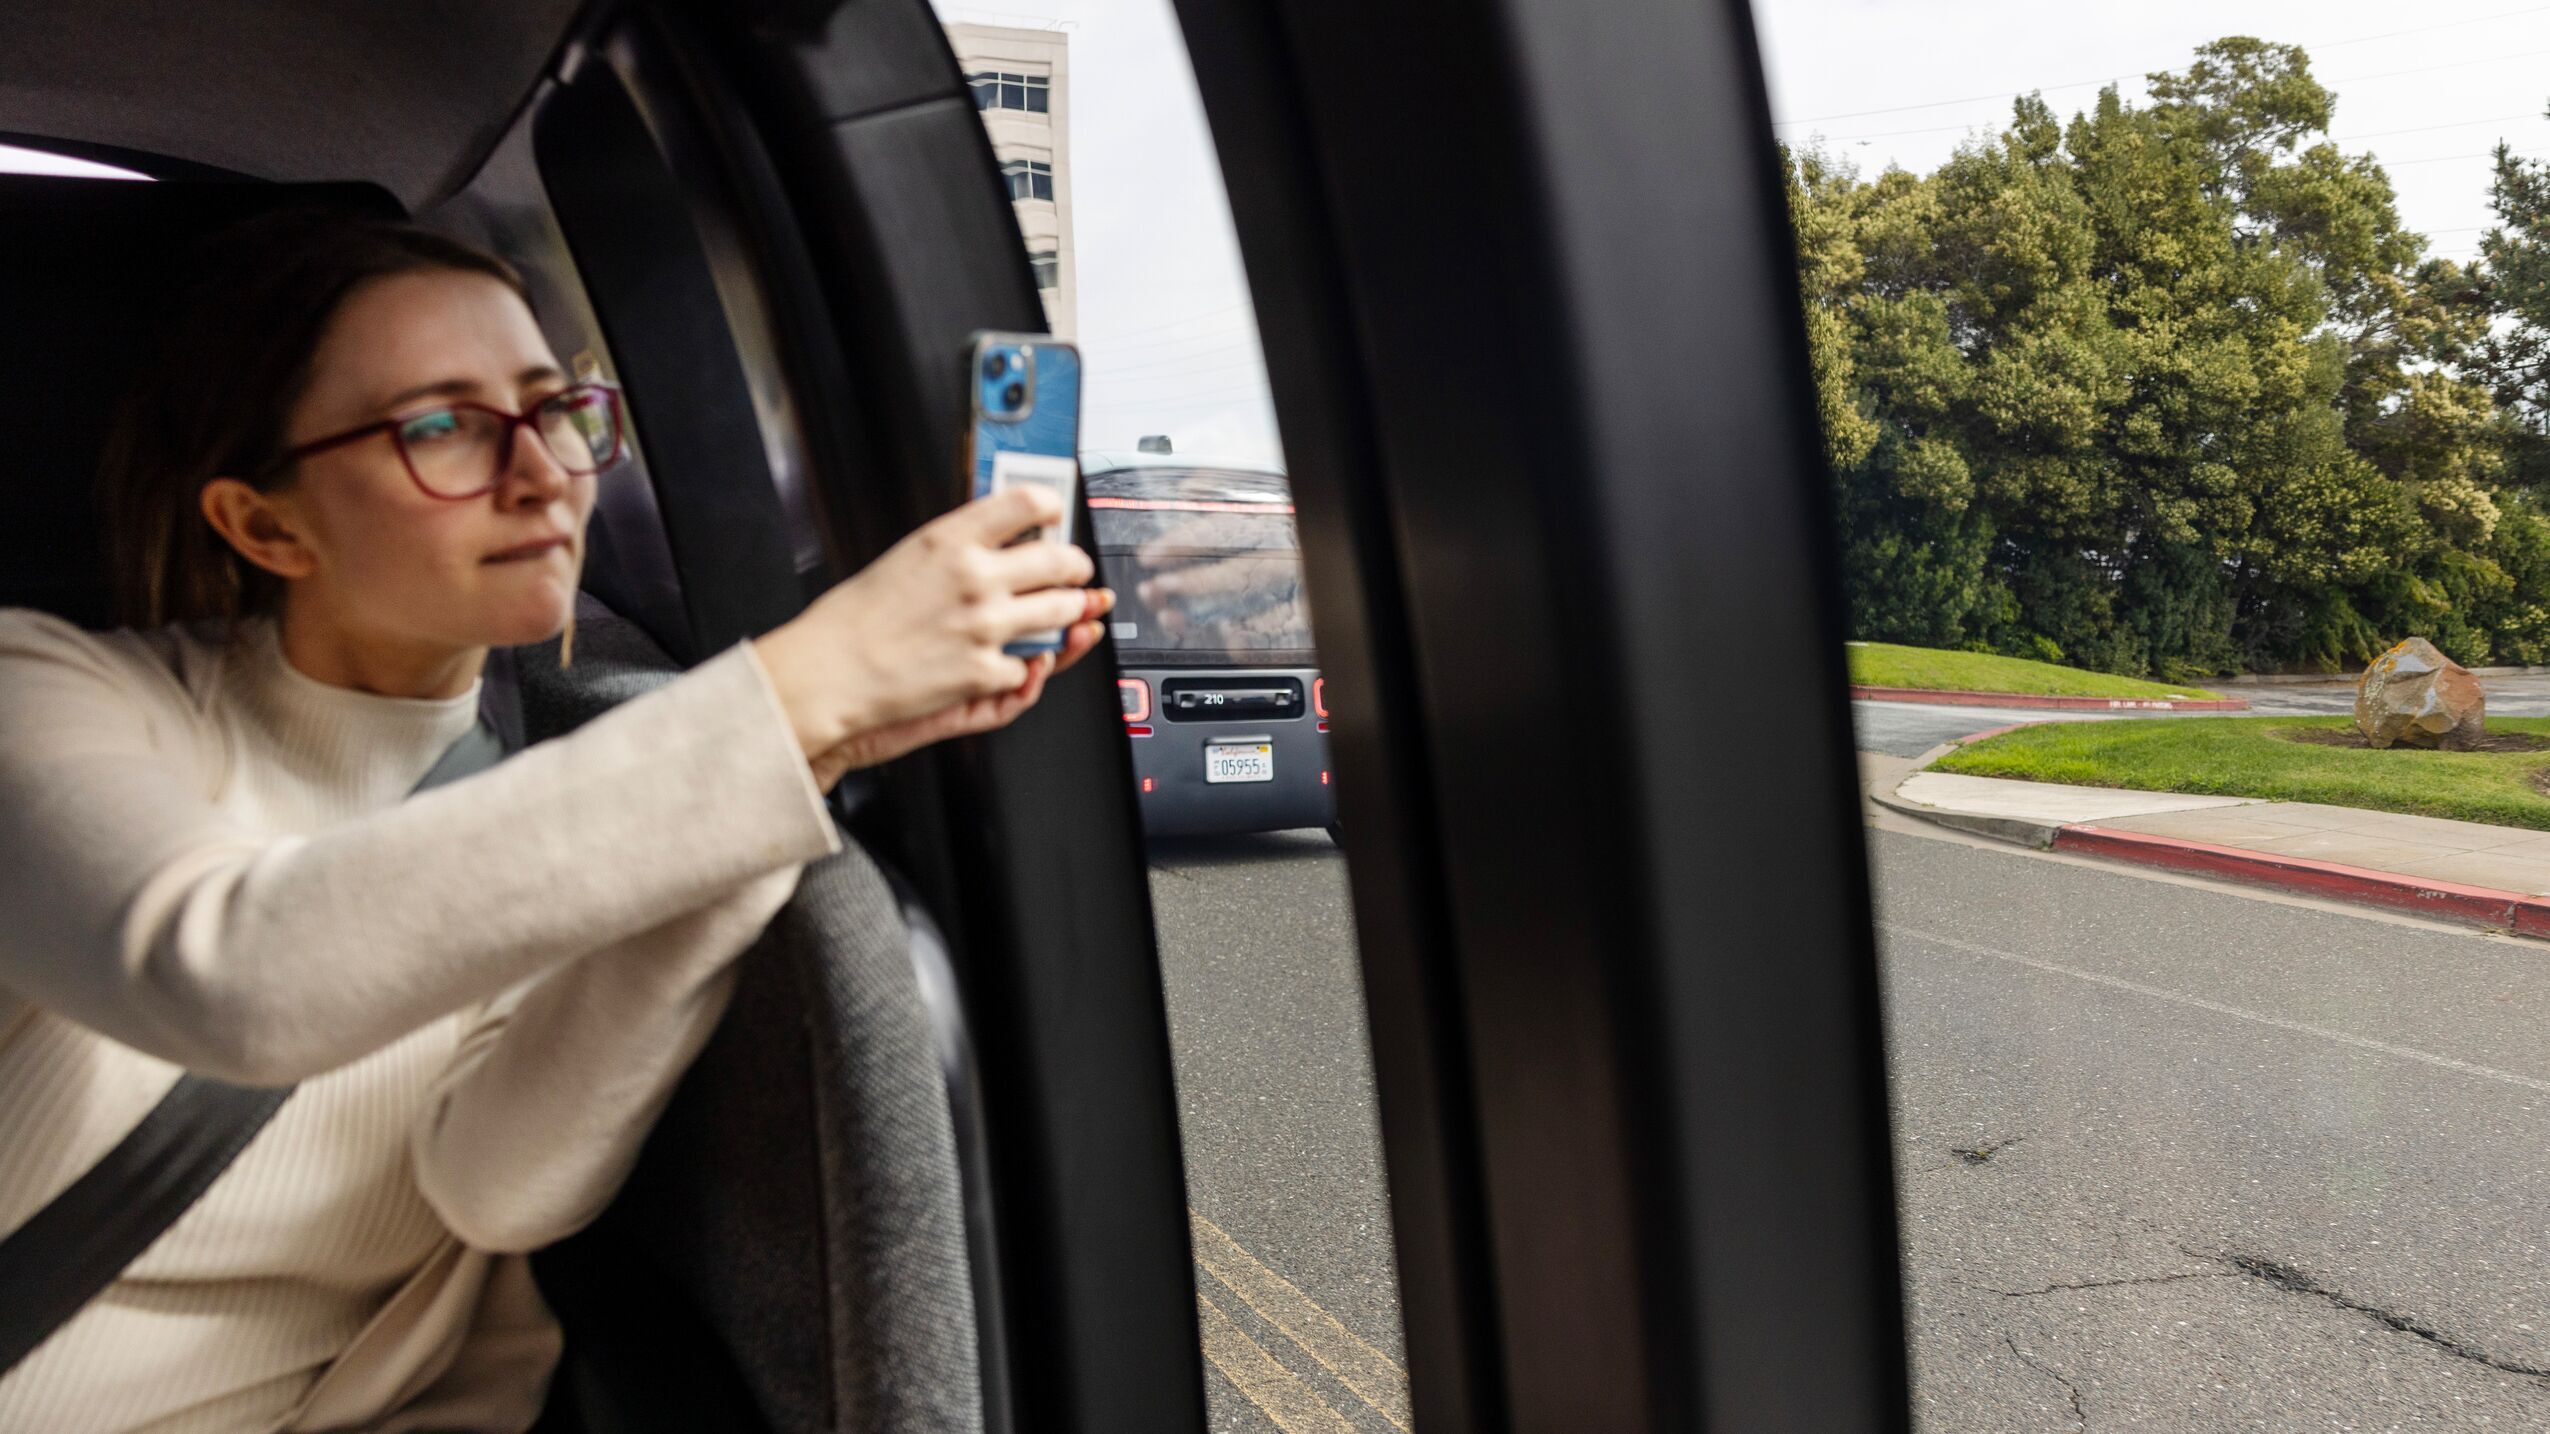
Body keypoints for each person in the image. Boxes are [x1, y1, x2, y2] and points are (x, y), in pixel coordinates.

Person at [0, 210, 1109, 1431]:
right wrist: (796, 688)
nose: (542, 475)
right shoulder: (45, 694)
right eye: (442, 428)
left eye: (556, 410)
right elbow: (234, 977)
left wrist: (796, 763)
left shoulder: (550, 814)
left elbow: (502, 1186)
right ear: (266, 525)